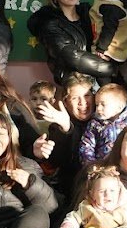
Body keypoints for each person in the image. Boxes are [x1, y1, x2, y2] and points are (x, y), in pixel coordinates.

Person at [26, 0, 114, 85]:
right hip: (74, 89)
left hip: (99, 86)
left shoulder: (90, 14)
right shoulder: (50, 23)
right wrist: (109, 68)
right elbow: (74, 57)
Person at [31, 73, 94, 202]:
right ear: (65, 102)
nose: (83, 103)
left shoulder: (103, 120)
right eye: (75, 98)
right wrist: (66, 128)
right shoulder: (58, 125)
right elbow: (59, 161)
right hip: (73, 191)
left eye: (87, 95)